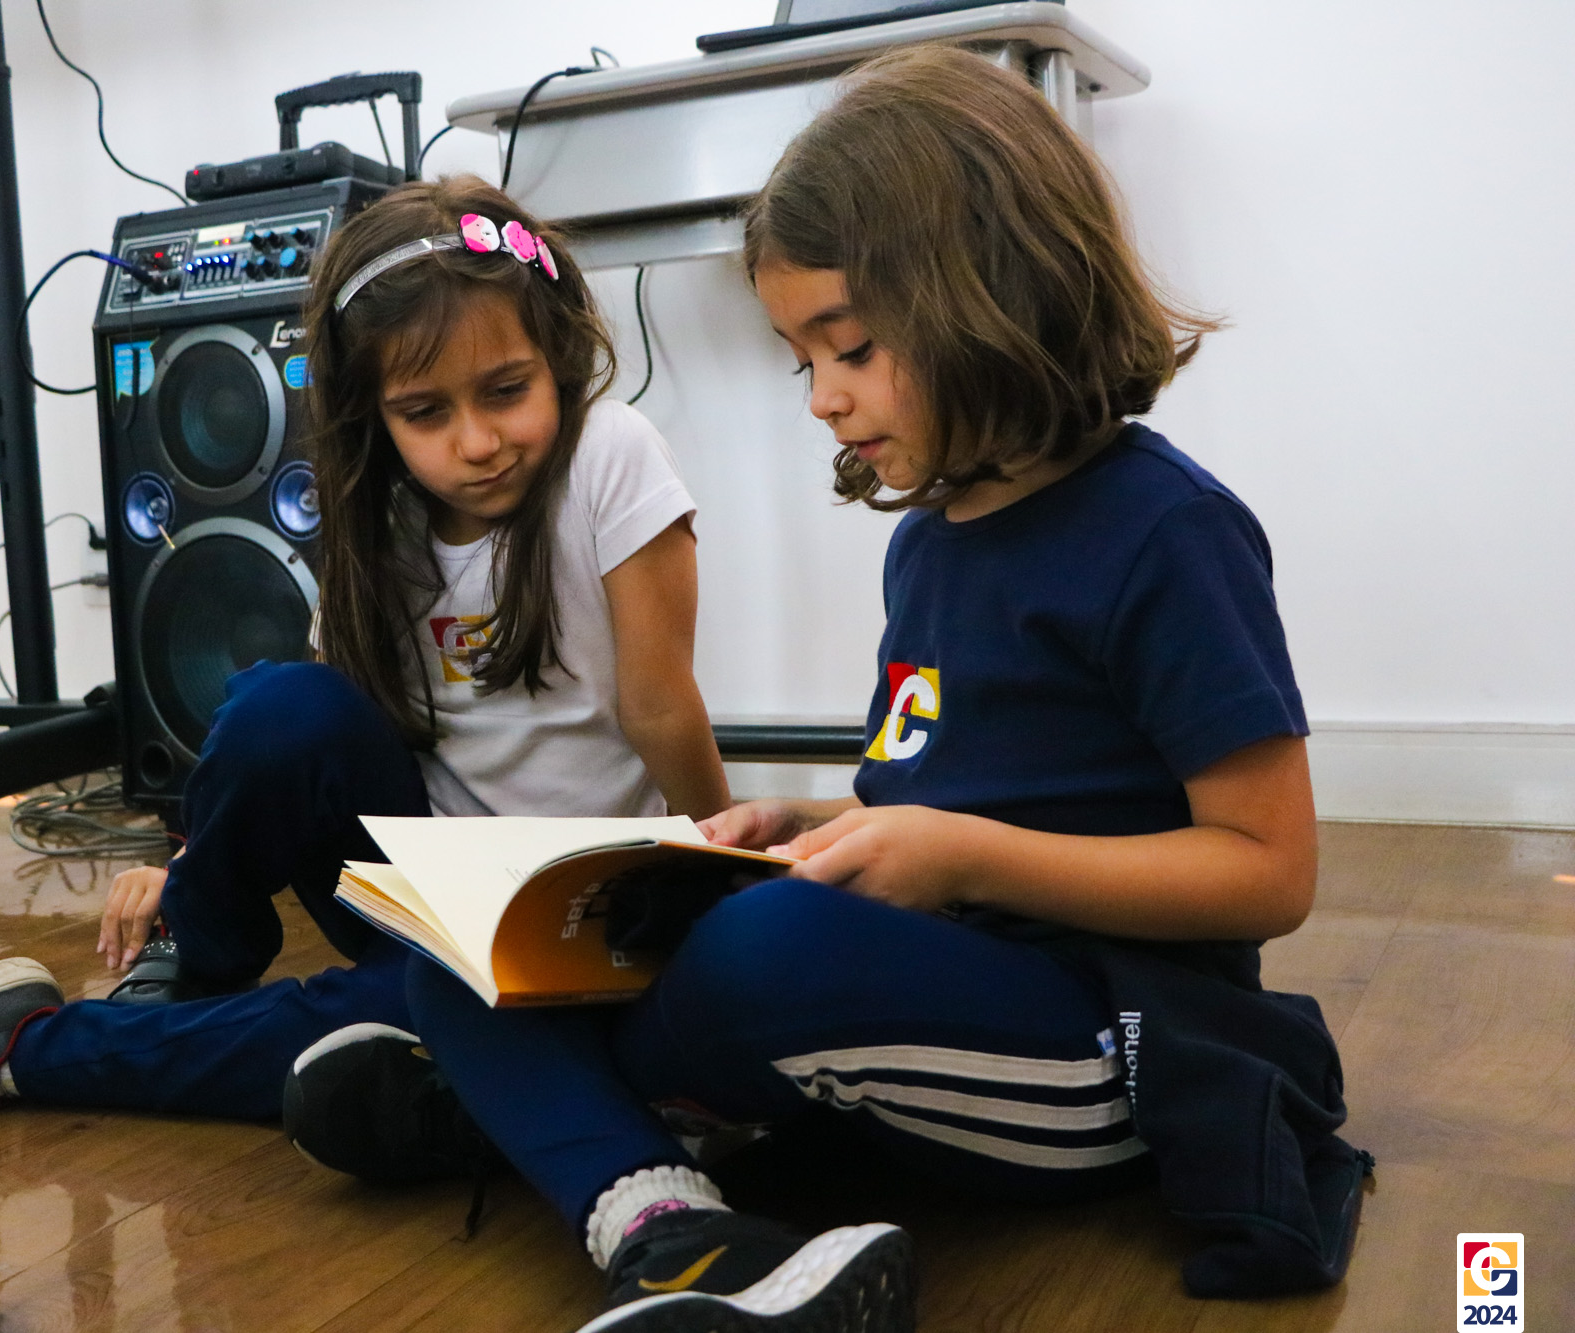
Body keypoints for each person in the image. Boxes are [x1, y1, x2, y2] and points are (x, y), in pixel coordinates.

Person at [282, 46, 1366, 1333]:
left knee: (755, 953)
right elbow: (948, 791)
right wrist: (817, 827)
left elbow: (1267, 873)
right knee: (463, 953)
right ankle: (665, 1229)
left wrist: (953, 854)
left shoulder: (1165, 533)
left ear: (991, 293)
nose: (821, 399)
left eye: (845, 348)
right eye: (801, 361)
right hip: (930, 984)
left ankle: (518, 1113)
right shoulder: (930, 541)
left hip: (1103, 1046)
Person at [0, 176, 729, 1129]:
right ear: (374, 413)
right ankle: (196, 949)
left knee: (392, 1020)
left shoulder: (612, 452)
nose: (477, 442)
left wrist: (724, 890)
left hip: (577, 914)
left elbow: (658, 706)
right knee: (286, 704)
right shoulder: (381, 513)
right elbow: (304, 743)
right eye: (425, 412)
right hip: (428, 887)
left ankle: (15, 1052)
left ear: (557, 354)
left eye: (506, 392)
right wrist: (193, 866)